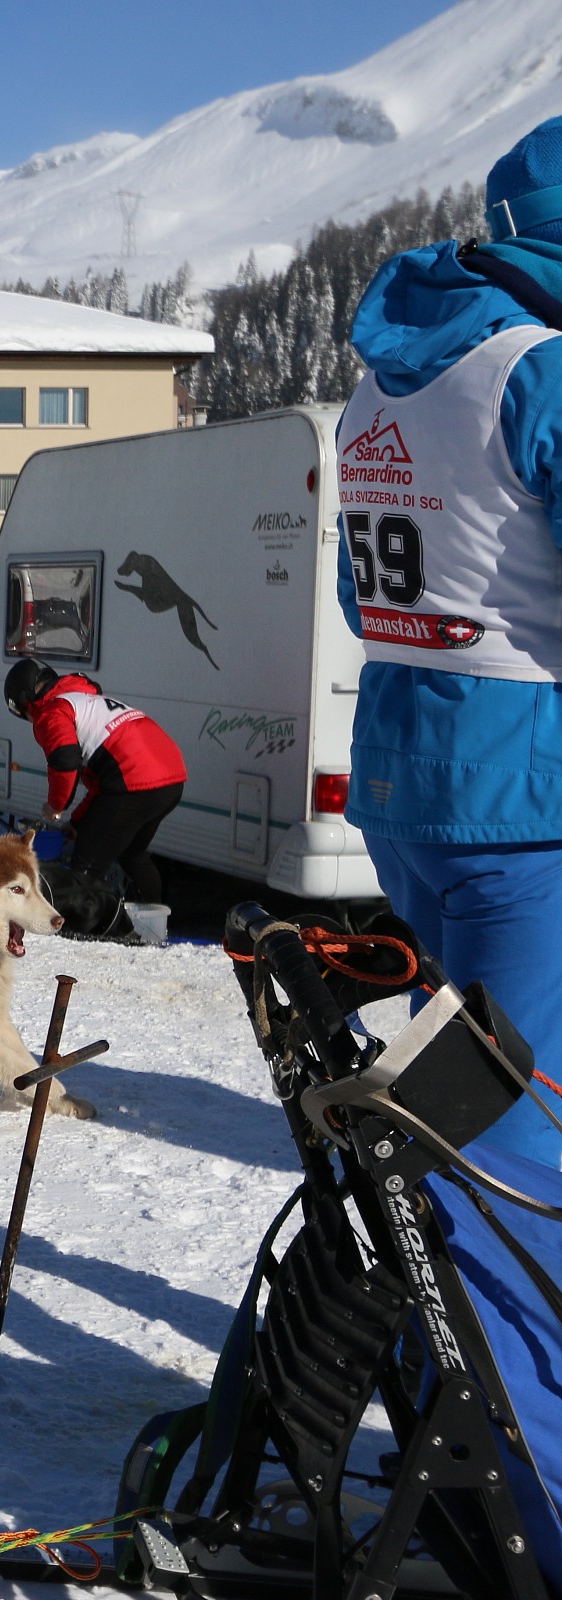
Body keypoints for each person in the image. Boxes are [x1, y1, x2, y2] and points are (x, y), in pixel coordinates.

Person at [337, 116, 562, 1171]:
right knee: (521, 1130)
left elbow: (360, 597)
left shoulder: (382, 382)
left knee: (455, 1087)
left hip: (406, 774)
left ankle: (426, 1335)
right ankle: (499, 1340)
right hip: (527, 795)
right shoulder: (543, 371)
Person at [2, 659, 185, 903]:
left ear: (25, 702)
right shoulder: (83, 699)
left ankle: (80, 933)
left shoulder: (53, 711)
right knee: (132, 854)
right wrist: (77, 822)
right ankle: (152, 924)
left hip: (135, 780)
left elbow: (65, 761)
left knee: (86, 867)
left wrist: (56, 806)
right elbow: (103, 784)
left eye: (23, 713)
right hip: (170, 776)